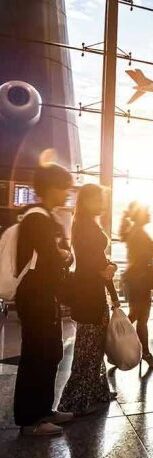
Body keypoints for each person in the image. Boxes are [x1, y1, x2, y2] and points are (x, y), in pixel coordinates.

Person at [14, 163, 74, 436]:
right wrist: (63, 255)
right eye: (65, 187)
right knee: (36, 355)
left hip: (43, 295)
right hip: (35, 295)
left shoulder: (45, 217)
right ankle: (30, 420)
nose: (68, 193)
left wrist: (63, 254)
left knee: (50, 352)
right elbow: (52, 257)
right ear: (52, 188)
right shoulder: (36, 218)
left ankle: (44, 410)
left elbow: (60, 254)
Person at [58, 184, 119, 415]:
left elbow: (98, 260)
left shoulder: (85, 223)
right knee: (88, 347)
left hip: (91, 292)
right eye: (99, 199)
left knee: (93, 346)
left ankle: (96, 392)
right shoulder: (85, 226)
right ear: (88, 200)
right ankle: (75, 400)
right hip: (89, 294)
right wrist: (105, 270)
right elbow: (91, 263)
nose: (103, 203)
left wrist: (109, 268)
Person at [119, 202, 153, 369]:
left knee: (137, 317)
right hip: (140, 282)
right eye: (147, 211)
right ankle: (121, 345)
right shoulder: (140, 234)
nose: (149, 214)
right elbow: (152, 254)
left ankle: (121, 347)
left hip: (134, 281)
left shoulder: (134, 232)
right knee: (140, 318)